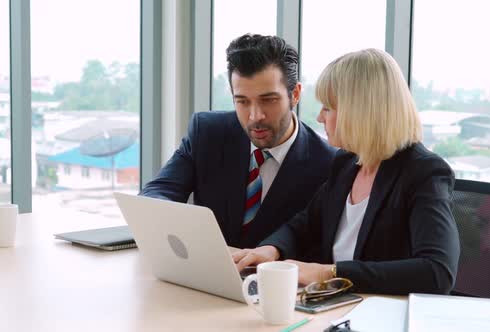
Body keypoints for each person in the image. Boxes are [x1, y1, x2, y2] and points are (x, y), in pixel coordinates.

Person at [232, 49, 460, 295]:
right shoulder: (347, 163)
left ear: (360, 112)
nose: (319, 117)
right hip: (331, 304)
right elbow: (305, 224)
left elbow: (437, 272)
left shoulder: (423, 172)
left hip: (377, 313)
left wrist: (328, 273)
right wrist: (271, 250)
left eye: (328, 108)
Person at [141, 34, 336, 249]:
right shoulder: (207, 133)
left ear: (295, 94)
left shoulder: (328, 164)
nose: (255, 116)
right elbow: (158, 192)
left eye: (268, 100)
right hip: (204, 275)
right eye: (242, 101)